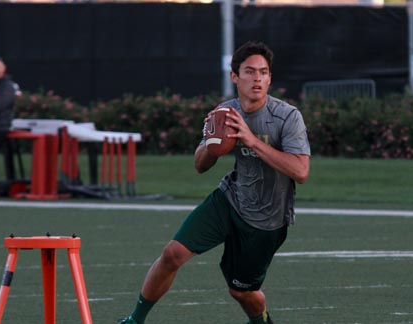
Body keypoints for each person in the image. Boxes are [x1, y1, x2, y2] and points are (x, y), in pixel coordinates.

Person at [117, 41, 311, 324]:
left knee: (242, 292)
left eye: (264, 72)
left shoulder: (287, 117)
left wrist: (251, 140)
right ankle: (135, 320)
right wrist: (213, 144)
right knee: (172, 254)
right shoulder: (225, 112)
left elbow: (301, 171)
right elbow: (199, 165)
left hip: (267, 219)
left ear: (270, 77)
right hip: (229, 199)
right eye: (249, 71)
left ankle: (261, 322)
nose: (257, 78)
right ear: (235, 76)